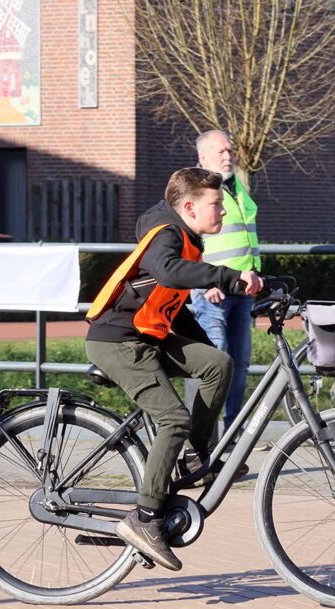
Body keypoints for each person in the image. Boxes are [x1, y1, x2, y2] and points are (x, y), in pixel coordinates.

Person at [85, 167, 262, 571]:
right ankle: (145, 518)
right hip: (119, 341)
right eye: (216, 205)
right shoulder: (167, 234)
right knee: (173, 419)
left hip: (148, 334)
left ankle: (197, 459)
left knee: (217, 363)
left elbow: (170, 305)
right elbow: (167, 271)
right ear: (188, 207)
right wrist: (232, 278)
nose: (222, 212)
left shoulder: (187, 237)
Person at [191, 130, 261, 430]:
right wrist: (201, 282)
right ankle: (202, 436)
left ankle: (233, 433)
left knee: (239, 364)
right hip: (214, 292)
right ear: (202, 157)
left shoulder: (235, 187)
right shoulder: (197, 189)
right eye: (220, 151)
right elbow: (185, 237)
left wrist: (256, 275)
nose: (228, 156)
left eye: (230, 151)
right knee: (213, 364)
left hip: (243, 288)